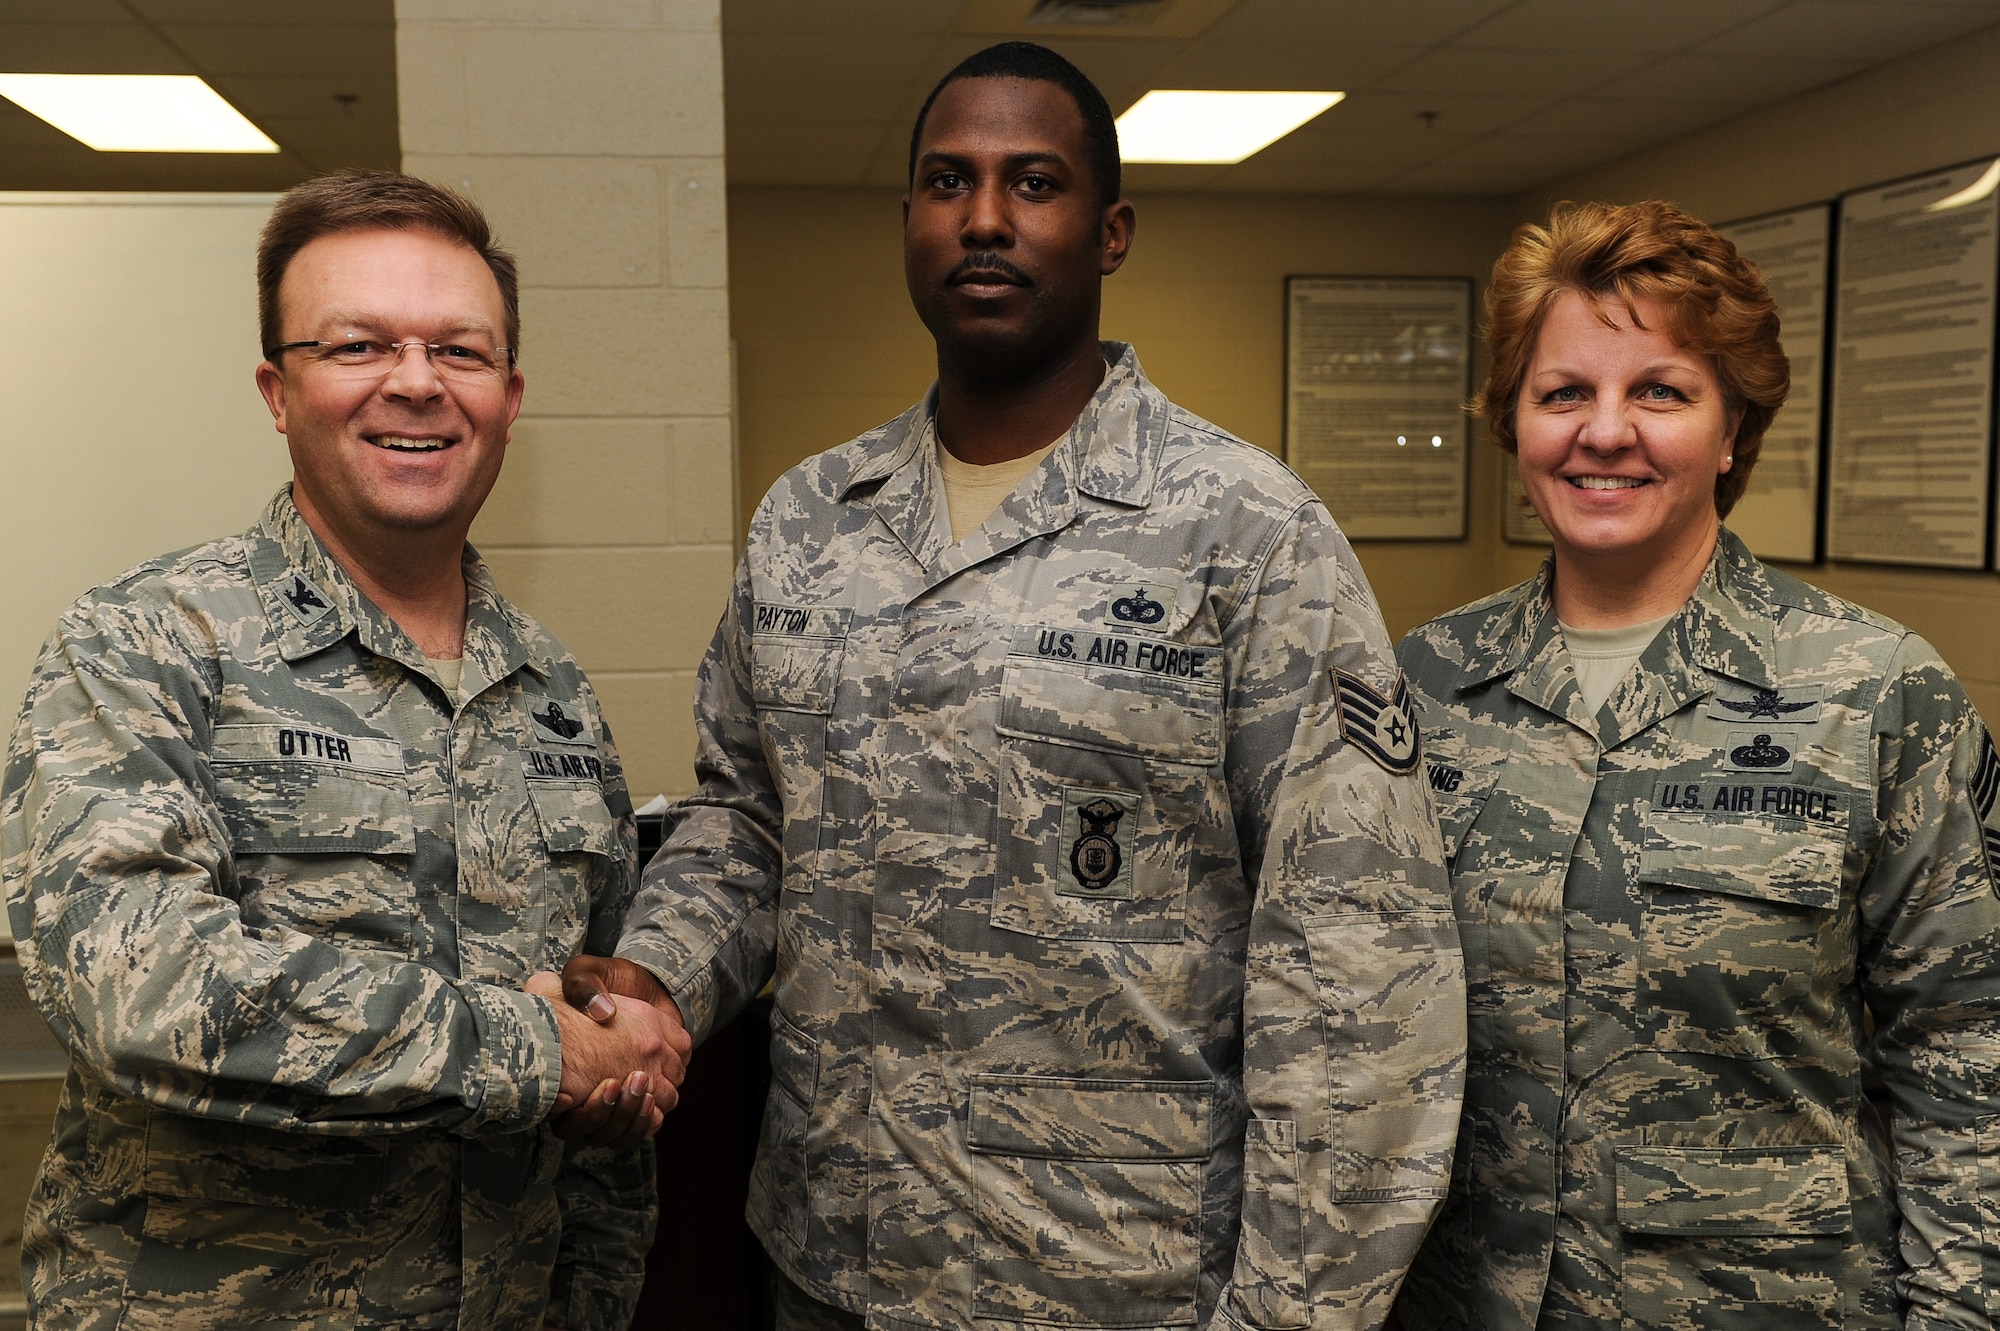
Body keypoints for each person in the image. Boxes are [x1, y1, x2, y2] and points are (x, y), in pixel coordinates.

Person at [560, 40, 1464, 1331]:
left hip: (1116, 1283)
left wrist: (1294, 1311)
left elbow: (1361, 965)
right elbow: (747, 822)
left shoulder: (1247, 534)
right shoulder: (811, 520)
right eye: (947, 181)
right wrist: (655, 978)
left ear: (1111, 232)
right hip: (832, 1262)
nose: (984, 218)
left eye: (1033, 182)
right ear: (911, 221)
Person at [0, 170, 690, 1331]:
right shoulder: (148, 642)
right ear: (279, 389)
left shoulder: (552, 691)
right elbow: (133, 979)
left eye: (460, 352)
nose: (416, 382)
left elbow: (589, 1019)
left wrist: (607, 1080)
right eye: (359, 343)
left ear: (510, 395)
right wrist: (535, 1052)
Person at [1392, 199, 2000, 1330]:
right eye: (1561, 391)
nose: (1603, 430)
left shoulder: (1871, 691)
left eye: (1658, 390)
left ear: (1730, 429)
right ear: (1513, 425)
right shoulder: (1422, 686)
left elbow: (1969, 1045)